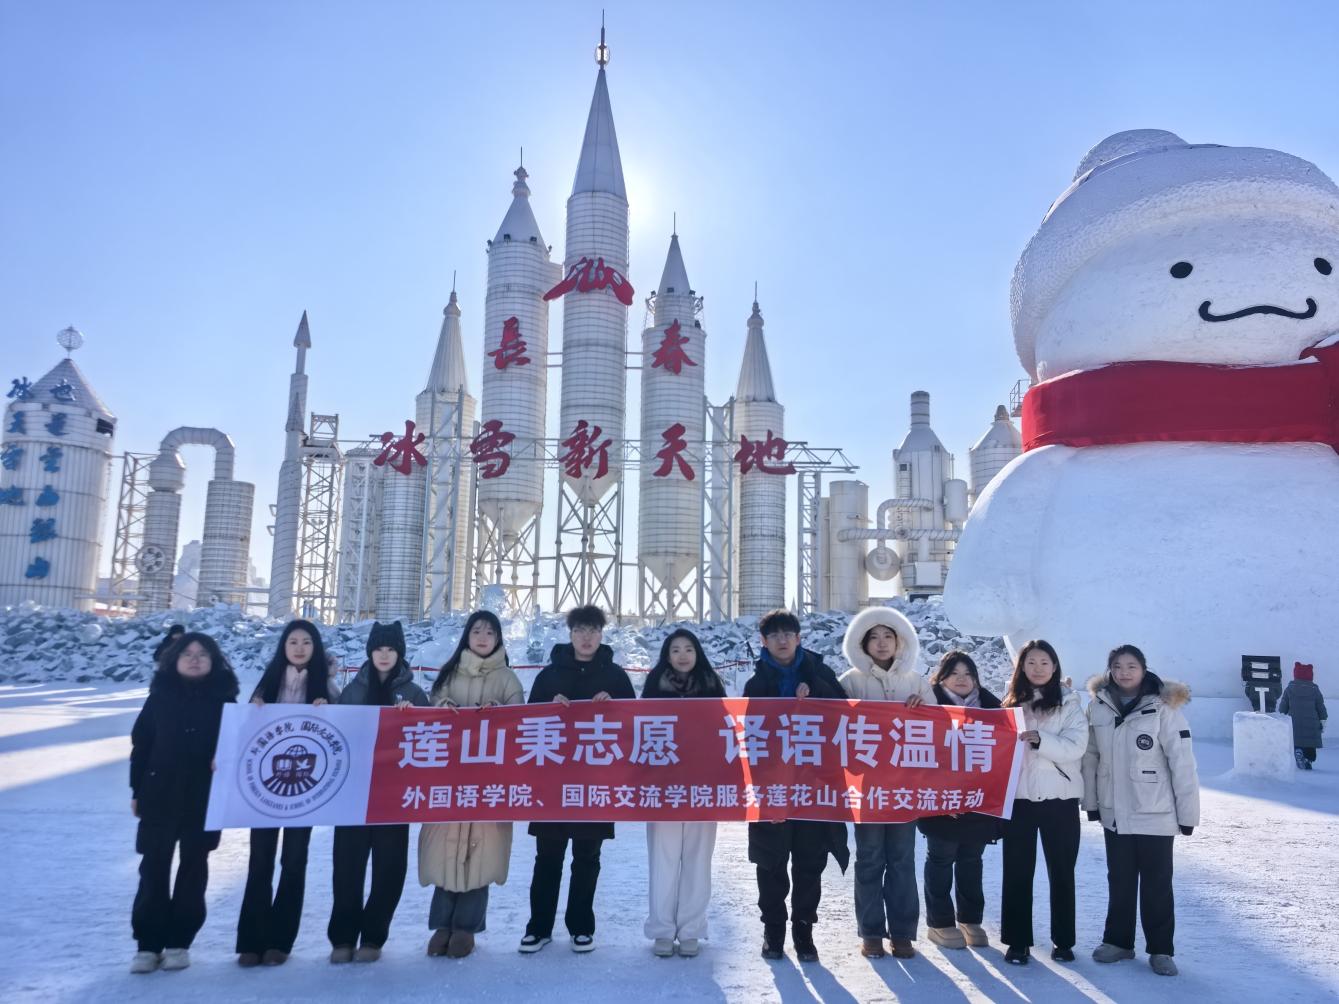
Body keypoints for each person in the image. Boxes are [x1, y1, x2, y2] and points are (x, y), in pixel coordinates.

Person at [520, 605, 635, 954]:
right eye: (580, 631)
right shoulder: (548, 676)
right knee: (547, 857)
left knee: (587, 857)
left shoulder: (615, 676)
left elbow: (634, 723)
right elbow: (526, 723)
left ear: (602, 635)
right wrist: (548, 706)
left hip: (596, 782)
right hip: (553, 783)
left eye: (593, 631)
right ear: (570, 635)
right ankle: (538, 928)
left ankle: (581, 927)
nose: (586, 637)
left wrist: (613, 705)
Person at [1083, 644, 1200, 978]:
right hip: (1115, 811)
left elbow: (1182, 763)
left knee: (1157, 884)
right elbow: (1091, 757)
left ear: (1144, 669)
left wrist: (1188, 815)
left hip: (1155, 811)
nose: (1124, 673)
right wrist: (1092, 802)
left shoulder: (1163, 707)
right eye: (1118, 666)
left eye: (1131, 666)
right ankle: (1117, 942)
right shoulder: (1098, 706)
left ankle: (1161, 950)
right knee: (1119, 880)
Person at [129, 632, 240, 974]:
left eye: (202, 654)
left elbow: (238, 747)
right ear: (174, 659)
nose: (194, 659)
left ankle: (179, 942)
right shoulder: (159, 698)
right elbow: (142, 745)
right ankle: (148, 945)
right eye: (187, 653)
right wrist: (136, 790)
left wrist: (224, 761)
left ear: (214, 661)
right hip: (159, 793)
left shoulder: (225, 702)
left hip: (203, 797)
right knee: (153, 867)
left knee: (194, 868)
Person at [419, 611, 524, 959]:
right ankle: (442, 925)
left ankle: (466, 928)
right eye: (476, 631)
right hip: (449, 781)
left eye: (489, 632)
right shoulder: (449, 675)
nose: (482, 637)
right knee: (445, 848)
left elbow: (522, 724)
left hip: (489, 782)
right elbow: (428, 716)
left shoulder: (508, 679)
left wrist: (501, 715)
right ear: (467, 635)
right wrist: (442, 708)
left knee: (480, 851)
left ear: (498, 639)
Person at [747, 609, 850, 964]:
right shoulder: (756, 684)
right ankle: (773, 931)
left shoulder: (820, 673)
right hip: (774, 789)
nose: (782, 640)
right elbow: (749, 741)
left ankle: (804, 931)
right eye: (775, 635)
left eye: (788, 634)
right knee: (770, 864)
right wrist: (764, 792)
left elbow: (847, 714)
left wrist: (817, 691)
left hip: (814, 788)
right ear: (764, 642)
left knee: (810, 864)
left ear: (799, 638)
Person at [236, 619, 338, 967]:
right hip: (265, 791)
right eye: (293, 641)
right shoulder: (266, 686)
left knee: (294, 862)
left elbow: (340, 736)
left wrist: (330, 710)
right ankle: (251, 940)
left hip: (304, 791)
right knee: (260, 861)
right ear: (283, 646)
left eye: (306, 642)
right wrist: (253, 713)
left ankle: (280, 941)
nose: (299, 648)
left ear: (316, 648)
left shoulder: (326, 687)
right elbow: (244, 736)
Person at [329, 620, 429, 963]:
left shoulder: (414, 694)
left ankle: (373, 937)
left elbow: (433, 736)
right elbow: (334, 733)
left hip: (394, 795)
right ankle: (342, 938)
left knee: (389, 868)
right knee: (347, 867)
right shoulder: (353, 690)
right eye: (378, 649)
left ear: (400, 653)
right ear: (370, 652)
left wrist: (413, 718)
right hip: (353, 793)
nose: (384, 655)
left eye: (390, 649)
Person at [837, 606, 933, 960]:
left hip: (905, 787)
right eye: (873, 637)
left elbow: (939, 728)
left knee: (902, 859)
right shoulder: (850, 682)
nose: (881, 643)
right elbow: (833, 726)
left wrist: (922, 708)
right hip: (867, 788)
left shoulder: (916, 681)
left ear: (899, 641)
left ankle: (903, 933)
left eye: (888, 636)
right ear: (862, 643)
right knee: (869, 858)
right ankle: (871, 932)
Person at [998, 640, 1087, 966]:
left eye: (1044, 662)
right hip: (1020, 799)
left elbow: (1076, 746)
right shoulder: (1009, 703)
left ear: (1054, 667)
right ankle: (1017, 942)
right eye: (1031, 662)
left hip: (1059, 799)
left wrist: (1041, 740)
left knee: (1062, 872)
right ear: (1021, 666)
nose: (1038, 668)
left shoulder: (1069, 702)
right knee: (1017, 872)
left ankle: (1063, 941)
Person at [641, 628, 727, 958]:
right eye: (675, 649)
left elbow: (726, 735)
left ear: (697, 653)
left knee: (697, 860)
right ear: (666, 654)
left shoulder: (712, 685)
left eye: (688, 649)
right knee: (662, 861)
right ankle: (662, 930)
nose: (682, 655)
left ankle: (691, 929)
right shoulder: (653, 686)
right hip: (663, 789)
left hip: (703, 788)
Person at [916, 650, 1002, 951]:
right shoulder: (928, 705)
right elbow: (917, 753)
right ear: (942, 678)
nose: (962, 679)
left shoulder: (993, 708)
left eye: (968, 673)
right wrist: (942, 795)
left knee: (971, 860)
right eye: (954, 673)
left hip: (978, 799)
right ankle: (939, 922)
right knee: (941, 858)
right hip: (941, 800)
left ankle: (970, 919)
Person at [1280, 662, 1327, 769]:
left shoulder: (1289, 689)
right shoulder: (1315, 690)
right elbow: (1321, 707)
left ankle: (1298, 752)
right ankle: (1308, 759)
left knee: (1296, 741)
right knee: (1310, 744)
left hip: (1294, 722)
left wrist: (1282, 718)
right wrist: (1323, 720)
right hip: (1312, 724)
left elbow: (1283, 707)